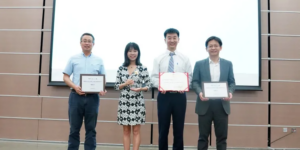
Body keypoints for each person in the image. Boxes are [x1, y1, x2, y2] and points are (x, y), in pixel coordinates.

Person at [63, 33, 107, 150]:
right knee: (74, 129)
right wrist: (75, 86)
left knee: (91, 129)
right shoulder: (73, 58)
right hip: (75, 97)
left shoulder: (99, 60)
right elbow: (66, 77)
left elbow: (103, 78)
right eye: (84, 41)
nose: (87, 43)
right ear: (80, 43)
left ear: (93, 44)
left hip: (93, 98)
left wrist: (101, 89)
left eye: (89, 41)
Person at [151, 28, 193, 150]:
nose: (172, 40)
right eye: (169, 38)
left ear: (178, 40)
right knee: (163, 128)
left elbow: (189, 76)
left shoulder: (184, 58)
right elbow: (153, 77)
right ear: (165, 40)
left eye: (174, 38)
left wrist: (184, 86)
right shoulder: (158, 58)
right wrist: (160, 86)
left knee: (179, 128)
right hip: (164, 96)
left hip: (179, 96)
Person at [191, 36, 235, 150]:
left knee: (222, 137)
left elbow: (232, 82)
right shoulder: (199, 64)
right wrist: (200, 93)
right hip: (204, 104)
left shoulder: (228, 64)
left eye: (216, 46)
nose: (213, 48)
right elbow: (195, 82)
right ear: (206, 48)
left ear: (220, 48)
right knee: (203, 137)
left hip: (222, 105)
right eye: (210, 46)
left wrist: (230, 92)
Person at [114, 42, 151, 150]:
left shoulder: (142, 68)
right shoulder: (121, 68)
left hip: (137, 102)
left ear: (138, 53)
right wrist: (125, 84)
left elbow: (148, 85)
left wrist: (140, 88)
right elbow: (116, 86)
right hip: (124, 102)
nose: (132, 53)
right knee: (126, 131)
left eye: (135, 51)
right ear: (126, 53)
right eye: (130, 51)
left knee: (136, 131)